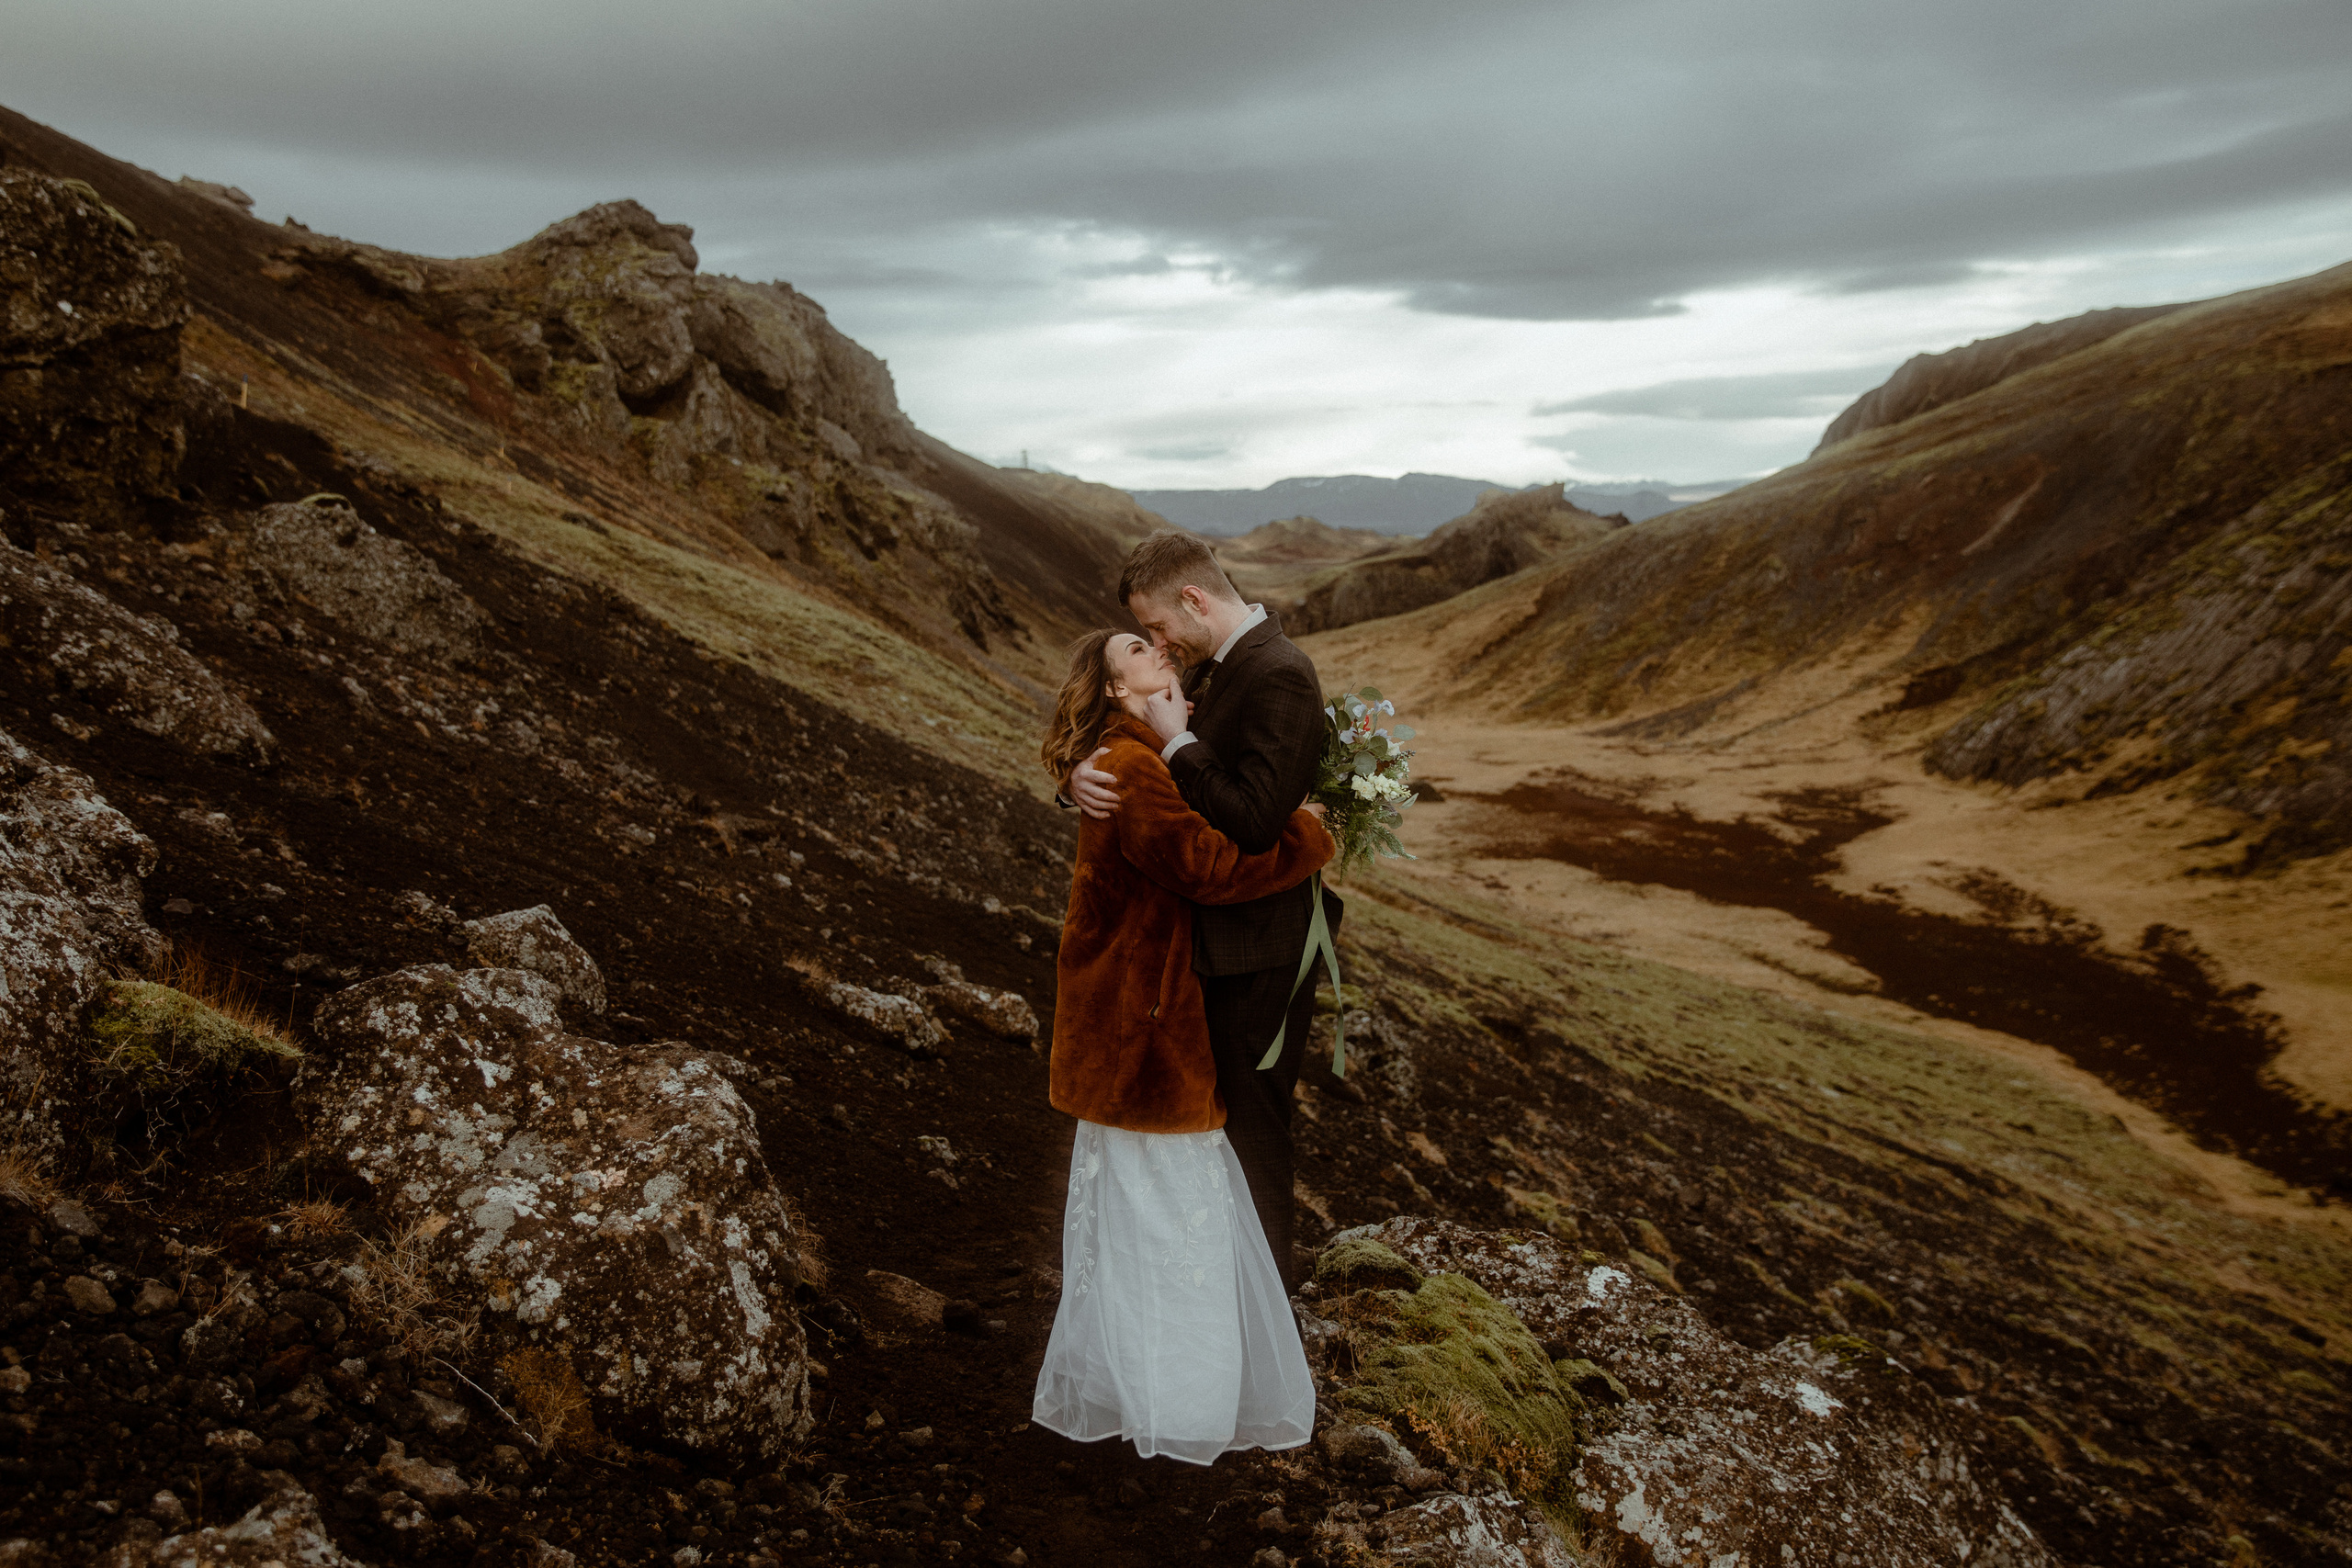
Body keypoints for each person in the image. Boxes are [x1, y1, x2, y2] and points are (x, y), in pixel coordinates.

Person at [1032, 627, 1330, 1464]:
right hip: (1144, 1023)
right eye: (1138, 647)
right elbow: (1207, 866)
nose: (1161, 647)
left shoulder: (1130, 756)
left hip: (1130, 1015)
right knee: (1170, 1206)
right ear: (1116, 686)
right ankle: (1183, 1404)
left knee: (1138, 1205)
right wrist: (1310, 833)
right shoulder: (1127, 766)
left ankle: (1139, 1386)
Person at [1066, 530, 1338, 1292]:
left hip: (1260, 952)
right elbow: (1144, 769)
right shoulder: (1224, 667)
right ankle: (1217, 1295)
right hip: (1211, 948)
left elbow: (1250, 822)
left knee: (1253, 1133)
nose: (1160, 643)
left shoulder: (1279, 673)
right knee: (1215, 1132)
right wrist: (1080, 774)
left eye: (1157, 627)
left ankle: (1266, 1314)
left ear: (1193, 598)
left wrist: (1181, 739)